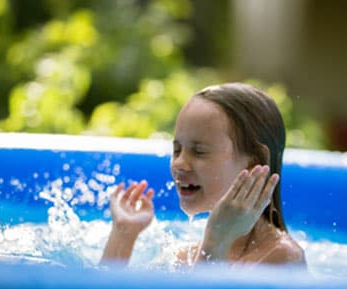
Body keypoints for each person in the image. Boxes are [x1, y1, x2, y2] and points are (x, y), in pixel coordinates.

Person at [101, 83, 305, 267]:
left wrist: (216, 242)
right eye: (177, 150)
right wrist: (123, 236)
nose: (179, 163)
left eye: (199, 152)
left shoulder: (282, 259)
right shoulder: (184, 256)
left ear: (254, 165)